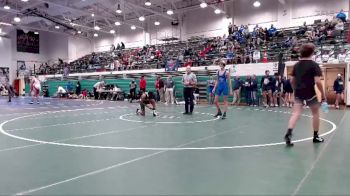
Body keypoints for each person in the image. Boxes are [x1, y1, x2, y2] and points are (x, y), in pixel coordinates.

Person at [284, 43, 326, 147]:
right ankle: (316, 136)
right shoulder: (314, 65)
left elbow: (292, 80)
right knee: (315, 113)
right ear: (312, 53)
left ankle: (288, 133)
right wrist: (323, 94)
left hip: (299, 93)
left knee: (296, 113)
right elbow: (318, 82)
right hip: (310, 93)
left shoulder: (296, 65)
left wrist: (295, 91)